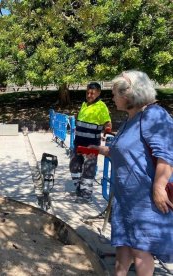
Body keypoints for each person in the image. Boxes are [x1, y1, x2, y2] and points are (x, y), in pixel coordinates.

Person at [94, 70, 173, 275]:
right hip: (125, 199)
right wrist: (104, 151)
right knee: (123, 248)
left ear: (129, 94)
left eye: (114, 93)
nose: (112, 97)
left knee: (141, 252)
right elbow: (127, 150)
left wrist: (158, 186)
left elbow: (166, 153)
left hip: (144, 200)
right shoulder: (131, 118)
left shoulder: (153, 114)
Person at [69, 82, 112, 201]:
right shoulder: (84, 104)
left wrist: (106, 131)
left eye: (92, 93)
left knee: (88, 170)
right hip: (78, 143)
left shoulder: (102, 107)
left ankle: (86, 195)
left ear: (98, 93)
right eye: (87, 92)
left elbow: (108, 124)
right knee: (74, 166)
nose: (89, 95)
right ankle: (79, 188)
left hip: (91, 146)